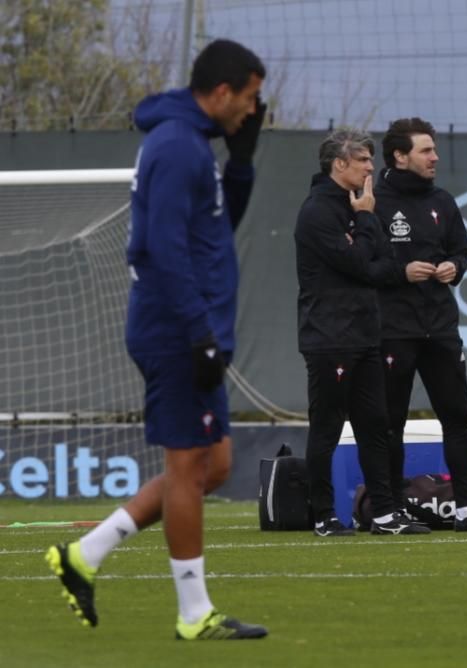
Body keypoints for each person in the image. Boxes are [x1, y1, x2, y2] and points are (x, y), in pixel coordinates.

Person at [46, 39, 268, 639]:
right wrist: (199, 334)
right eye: (248, 99)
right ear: (221, 93)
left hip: (192, 329)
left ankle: (84, 554)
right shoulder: (176, 148)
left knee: (212, 465)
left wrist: (242, 162)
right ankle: (195, 614)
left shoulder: (194, 145)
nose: (253, 109)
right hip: (177, 332)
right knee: (190, 466)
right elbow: (160, 248)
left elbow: (215, 233)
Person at [373, 117, 467, 532]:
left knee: (457, 418)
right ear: (400, 156)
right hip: (393, 329)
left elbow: (462, 252)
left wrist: (456, 266)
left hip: (441, 328)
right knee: (389, 422)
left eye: (434, 149)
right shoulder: (373, 202)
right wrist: (401, 272)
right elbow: (362, 265)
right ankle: (392, 509)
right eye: (426, 150)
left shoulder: (443, 201)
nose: (435, 157)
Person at [294, 126, 431, 537]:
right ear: (340, 164)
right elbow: (359, 265)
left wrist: (367, 232)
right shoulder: (318, 211)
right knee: (328, 427)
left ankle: (385, 514)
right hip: (329, 338)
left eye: (372, 159)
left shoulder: (362, 205)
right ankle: (321, 514)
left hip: (367, 335)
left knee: (377, 425)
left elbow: (385, 266)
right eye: (364, 160)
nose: (372, 167)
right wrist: (367, 220)